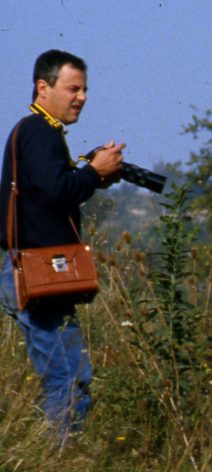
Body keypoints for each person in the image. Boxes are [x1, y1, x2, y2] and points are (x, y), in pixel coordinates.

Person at [1, 49, 122, 439]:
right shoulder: (39, 131)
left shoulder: (38, 132)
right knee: (68, 378)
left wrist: (89, 175)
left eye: (84, 90)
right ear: (43, 87)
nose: (81, 97)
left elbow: (49, 190)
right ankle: (58, 458)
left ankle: (52, 457)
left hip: (34, 271)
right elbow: (56, 191)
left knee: (67, 375)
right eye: (73, 89)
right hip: (37, 273)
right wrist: (93, 173)